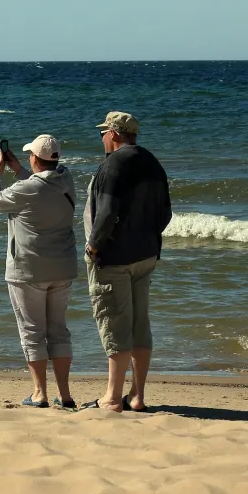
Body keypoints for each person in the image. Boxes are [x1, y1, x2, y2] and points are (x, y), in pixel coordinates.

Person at [82, 111, 172, 412]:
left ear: (114, 133)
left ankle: (112, 397)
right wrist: (146, 236)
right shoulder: (152, 162)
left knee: (115, 324)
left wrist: (94, 246)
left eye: (103, 133)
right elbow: (165, 214)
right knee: (139, 324)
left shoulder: (112, 165)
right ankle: (137, 395)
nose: (102, 138)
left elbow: (106, 213)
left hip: (115, 258)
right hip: (146, 254)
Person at [0, 134, 79, 409]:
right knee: (59, 331)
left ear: (35, 159)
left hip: (28, 270)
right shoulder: (66, 179)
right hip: (62, 267)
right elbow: (41, 184)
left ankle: (40, 393)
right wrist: (18, 169)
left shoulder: (25, 189)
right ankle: (65, 395)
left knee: (32, 332)